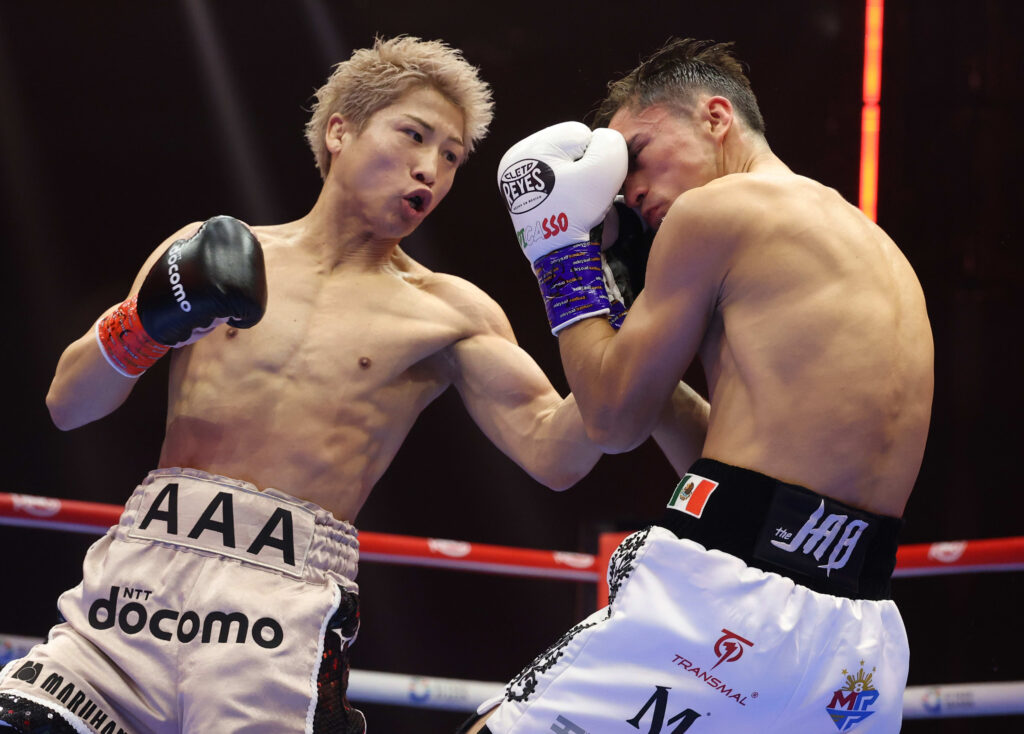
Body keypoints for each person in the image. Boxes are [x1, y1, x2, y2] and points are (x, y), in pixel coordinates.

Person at [0, 36, 614, 734]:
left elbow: (560, 455)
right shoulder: (210, 250)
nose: (430, 170)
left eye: (451, 157)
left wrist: (579, 271)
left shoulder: (449, 311)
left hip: (275, 620)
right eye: (414, 135)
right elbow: (68, 405)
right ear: (340, 130)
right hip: (132, 591)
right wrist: (149, 321)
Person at [464, 38, 933, 733]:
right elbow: (736, 471)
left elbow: (612, 421)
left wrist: (561, 252)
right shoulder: (870, 246)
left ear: (716, 118)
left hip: (725, 607)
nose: (631, 189)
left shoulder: (716, 212)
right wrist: (624, 330)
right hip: (857, 640)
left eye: (641, 151)